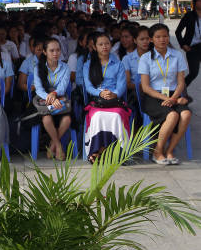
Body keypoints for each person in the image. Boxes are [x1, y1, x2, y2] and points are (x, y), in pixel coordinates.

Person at [138, 24, 191, 165]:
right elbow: (145, 87)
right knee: (172, 115)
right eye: (158, 37)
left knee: (186, 114)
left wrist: (174, 98)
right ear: (151, 39)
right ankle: (157, 151)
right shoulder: (145, 58)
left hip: (174, 95)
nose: (162, 39)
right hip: (153, 96)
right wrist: (166, 98)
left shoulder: (177, 55)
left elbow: (181, 82)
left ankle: (169, 150)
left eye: (165, 36)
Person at [83, 33, 130, 164]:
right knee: (97, 116)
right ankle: (97, 150)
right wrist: (101, 93)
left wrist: (113, 94)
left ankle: (117, 153)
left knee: (117, 116)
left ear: (111, 45)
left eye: (107, 43)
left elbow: (121, 86)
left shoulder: (118, 64)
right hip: (97, 101)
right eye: (101, 44)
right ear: (95, 47)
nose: (104, 46)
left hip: (114, 100)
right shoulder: (88, 64)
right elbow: (88, 87)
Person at [32, 38, 72, 160]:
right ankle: (58, 146)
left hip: (60, 98)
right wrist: (49, 97)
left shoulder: (65, 67)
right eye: (52, 50)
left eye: (58, 50)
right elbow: (38, 89)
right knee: (47, 119)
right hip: (44, 101)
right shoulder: (38, 68)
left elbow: (63, 87)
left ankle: (52, 144)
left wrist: (54, 94)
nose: (55, 53)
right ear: (44, 52)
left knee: (67, 119)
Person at [175, 0, 201, 88]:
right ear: (195, 2)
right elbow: (178, 31)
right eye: (199, 0)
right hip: (192, 48)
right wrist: (183, 45)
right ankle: (180, 89)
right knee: (194, 73)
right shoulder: (189, 15)